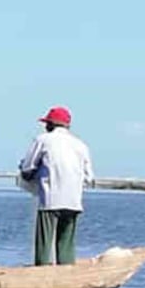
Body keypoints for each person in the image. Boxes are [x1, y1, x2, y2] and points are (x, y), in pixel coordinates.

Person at [18, 106, 93, 265]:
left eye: (47, 123)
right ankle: (66, 270)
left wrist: (27, 174)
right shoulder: (80, 145)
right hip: (73, 202)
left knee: (44, 244)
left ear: (51, 124)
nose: (45, 126)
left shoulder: (43, 140)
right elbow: (89, 177)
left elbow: (28, 167)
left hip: (50, 200)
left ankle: (42, 271)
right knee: (66, 245)